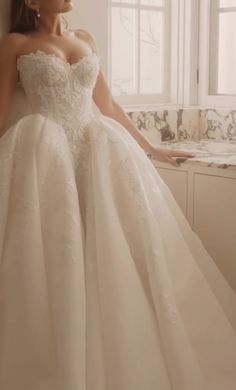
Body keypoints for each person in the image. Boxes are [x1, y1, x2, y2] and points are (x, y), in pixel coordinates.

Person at [0, 1, 236, 389]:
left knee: (109, 251)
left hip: (97, 158)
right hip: (45, 163)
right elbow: (2, 112)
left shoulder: (85, 38)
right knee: (57, 255)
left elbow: (106, 105)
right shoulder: (15, 43)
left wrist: (152, 148)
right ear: (30, 1)